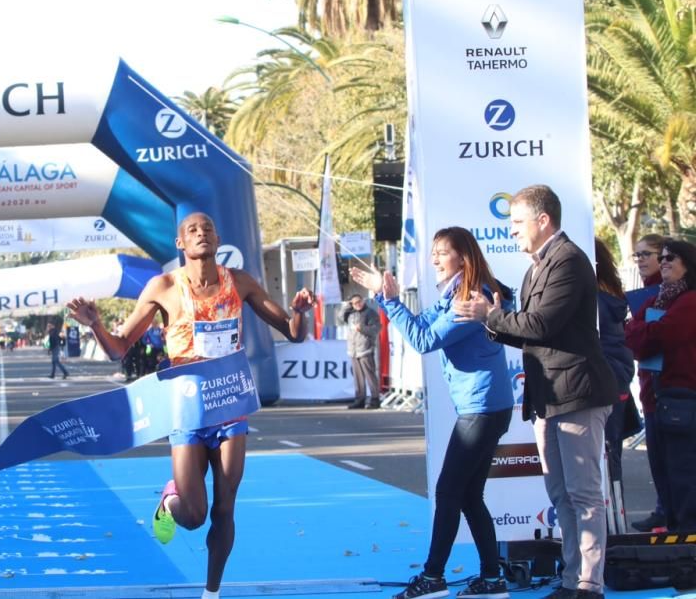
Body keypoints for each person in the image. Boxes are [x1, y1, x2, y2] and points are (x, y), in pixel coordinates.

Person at [67, 212, 314, 599]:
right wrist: (95, 324)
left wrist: (299, 311)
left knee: (226, 506)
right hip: (186, 408)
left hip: (229, 403)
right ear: (181, 244)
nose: (202, 234)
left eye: (208, 229)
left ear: (217, 240)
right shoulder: (163, 286)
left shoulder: (241, 282)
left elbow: (293, 333)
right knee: (195, 515)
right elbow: (118, 349)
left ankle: (211, 592)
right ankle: (170, 501)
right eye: (193, 231)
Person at [453, 185, 618, 599]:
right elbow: (528, 333)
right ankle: (570, 578)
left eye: (516, 223)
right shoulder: (535, 267)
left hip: (577, 392)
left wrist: (490, 315)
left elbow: (541, 325)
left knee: (584, 494)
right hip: (547, 395)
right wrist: (492, 319)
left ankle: (589, 584)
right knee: (560, 494)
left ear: (543, 220)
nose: (511, 232)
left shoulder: (569, 262)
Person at [352, 227, 514, 599]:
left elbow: (424, 341)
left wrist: (390, 300)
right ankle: (492, 580)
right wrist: (384, 294)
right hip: (486, 406)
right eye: (433, 252)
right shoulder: (455, 293)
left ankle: (433, 578)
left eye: (442, 252)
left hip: (482, 407)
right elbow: (423, 325)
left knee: (449, 491)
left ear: (464, 257)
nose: (434, 259)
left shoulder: (470, 297)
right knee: (470, 496)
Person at [625, 239, 696, 531]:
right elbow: (631, 335)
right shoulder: (658, 299)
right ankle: (673, 529)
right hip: (655, 398)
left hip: (683, 397)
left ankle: (687, 536)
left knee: (683, 474)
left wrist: (643, 331)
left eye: (671, 258)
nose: (664, 262)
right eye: (663, 258)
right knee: (663, 472)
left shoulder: (690, 300)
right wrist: (643, 331)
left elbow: (663, 335)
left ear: (687, 265)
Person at [627, 233, 669, 532]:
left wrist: (634, 331)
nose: (641, 260)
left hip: (670, 389)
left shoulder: (671, 295)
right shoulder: (645, 294)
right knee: (658, 457)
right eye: (637, 255)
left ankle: (669, 513)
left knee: (671, 459)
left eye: (647, 254)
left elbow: (646, 340)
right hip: (650, 386)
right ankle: (663, 509)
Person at [594, 239, 637, 524]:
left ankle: (612, 533)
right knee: (611, 460)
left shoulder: (594, 299)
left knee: (605, 462)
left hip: (604, 383)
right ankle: (614, 529)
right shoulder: (612, 294)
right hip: (616, 381)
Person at [341, 293, 381, 409]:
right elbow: (340, 316)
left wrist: (362, 328)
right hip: (353, 349)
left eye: (359, 302)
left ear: (363, 301)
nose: (357, 305)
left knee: (370, 375)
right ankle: (360, 398)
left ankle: (375, 398)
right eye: (354, 303)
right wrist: (347, 306)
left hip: (365, 348)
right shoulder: (350, 313)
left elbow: (376, 329)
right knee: (358, 377)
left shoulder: (370, 313)